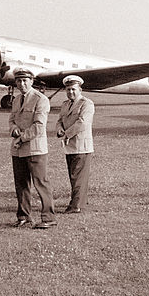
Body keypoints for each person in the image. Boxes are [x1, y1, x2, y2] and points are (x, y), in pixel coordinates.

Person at [8, 68, 56, 229]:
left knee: (41, 183)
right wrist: (13, 130)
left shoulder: (41, 99)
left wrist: (20, 138)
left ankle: (48, 218)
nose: (21, 84)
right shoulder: (16, 100)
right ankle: (23, 216)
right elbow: (12, 119)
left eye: (25, 80)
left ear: (31, 81)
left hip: (35, 149)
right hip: (18, 149)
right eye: (18, 81)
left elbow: (39, 126)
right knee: (21, 184)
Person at [55, 75, 95, 213]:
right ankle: (80, 200)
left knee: (78, 177)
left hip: (82, 147)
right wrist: (59, 129)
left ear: (80, 89)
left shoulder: (86, 104)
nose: (70, 92)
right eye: (68, 90)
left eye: (73, 89)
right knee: (74, 176)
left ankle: (76, 206)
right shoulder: (65, 104)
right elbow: (59, 120)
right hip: (69, 146)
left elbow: (83, 122)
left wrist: (67, 134)